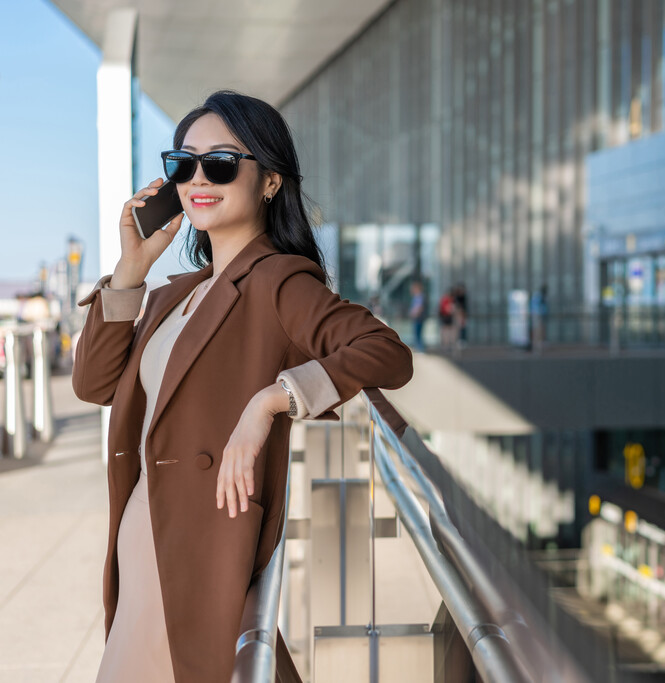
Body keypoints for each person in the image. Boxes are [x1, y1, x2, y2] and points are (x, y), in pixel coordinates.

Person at [73, 91, 413, 683]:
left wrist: (272, 400)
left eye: (222, 163)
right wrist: (132, 268)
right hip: (143, 529)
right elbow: (94, 383)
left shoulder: (279, 281)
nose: (198, 178)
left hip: (203, 540)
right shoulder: (172, 293)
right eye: (183, 163)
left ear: (271, 182)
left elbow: (386, 351)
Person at [408, 280, 426, 351]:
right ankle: (418, 347)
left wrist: (415, 314)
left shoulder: (420, 297)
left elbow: (419, 307)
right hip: (416, 318)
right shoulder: (416, 297)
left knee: (418, 334)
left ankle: (420, 348)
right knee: (417, 334)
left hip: (418, 318)